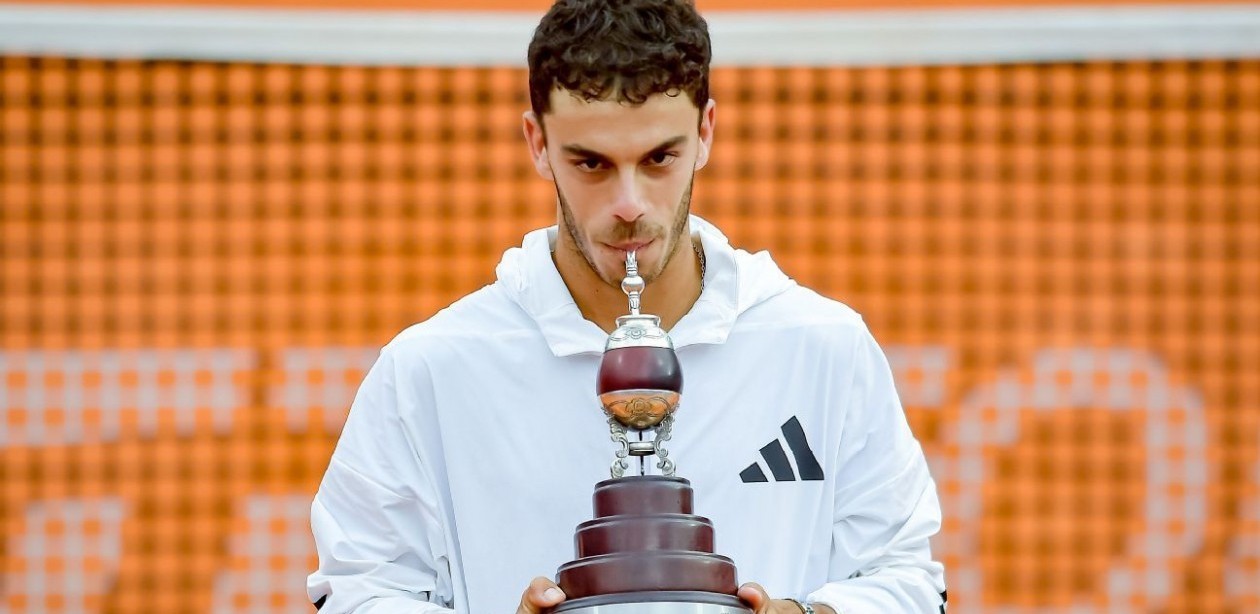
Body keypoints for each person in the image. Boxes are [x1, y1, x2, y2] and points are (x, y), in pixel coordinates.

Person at [307, 0, 947, 612]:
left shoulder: (822, 344)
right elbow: (358, 590)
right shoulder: (431, 368)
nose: (630, 204)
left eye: (658, 157)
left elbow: (909, 580)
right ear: (537, 144)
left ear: (705, 133)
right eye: (590, 163)